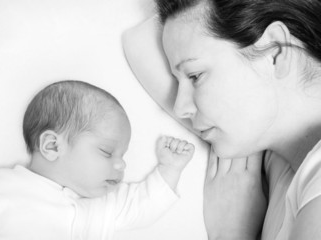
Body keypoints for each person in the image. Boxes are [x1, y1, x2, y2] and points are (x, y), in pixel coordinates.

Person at [122, 0, 321, 239]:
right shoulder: (282, 160)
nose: (180, 107)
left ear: (275, 51)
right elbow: (139, 43)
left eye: (195, 76)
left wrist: (231, 233)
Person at [0, 80, 195, 240]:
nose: (122, 165)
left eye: (122, 156)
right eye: (106, 151)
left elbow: (143, 205)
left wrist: (170, 168)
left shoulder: (103, 203)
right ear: (52, 146)